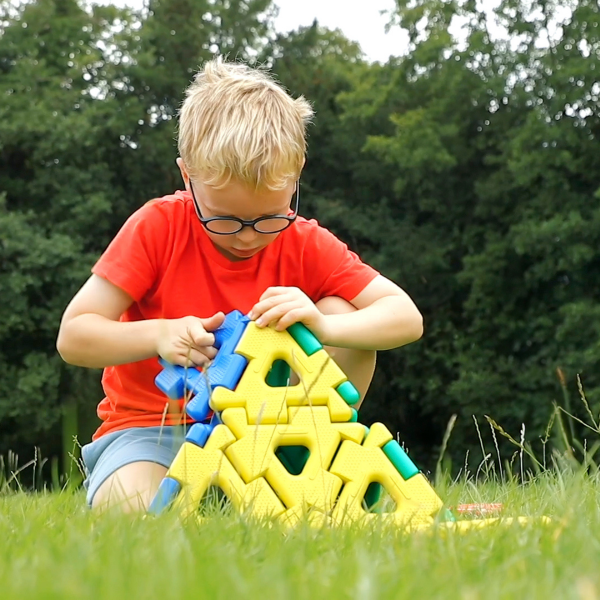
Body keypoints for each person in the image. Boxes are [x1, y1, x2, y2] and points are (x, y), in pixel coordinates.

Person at [56, 58, 423, 513]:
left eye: (269, 217)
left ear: (296, 176)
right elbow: (74, 336)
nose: (249, 235)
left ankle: (306, 474)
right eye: (226, 219)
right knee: (133, 513)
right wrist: (157, 333)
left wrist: (324, 327)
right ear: (188, 176)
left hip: (268, 436)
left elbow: (405, 317)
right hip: (155, 432)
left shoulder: (305, 241)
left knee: (345, 314)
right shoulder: (157, 227)